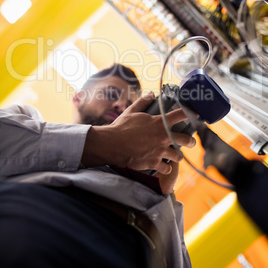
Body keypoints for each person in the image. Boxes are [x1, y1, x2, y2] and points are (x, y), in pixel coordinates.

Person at [0, 63, 196, 268]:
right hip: (38, 229)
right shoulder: (26, 119)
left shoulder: (151, 189)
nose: (121, 105)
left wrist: (164, 196)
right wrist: (106, 142)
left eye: (129, 104)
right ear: (79, 97)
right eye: (111, 94)